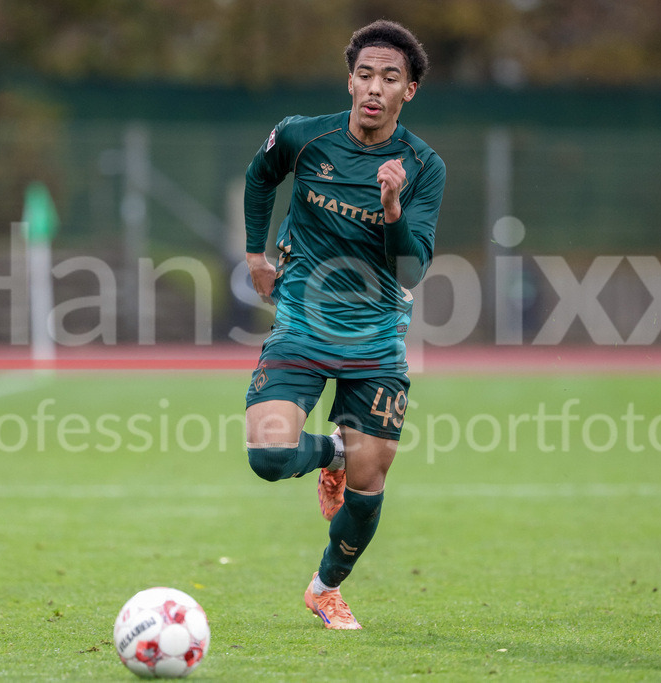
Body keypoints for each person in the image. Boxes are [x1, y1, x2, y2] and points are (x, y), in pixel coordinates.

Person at [242, 19, 446, 629]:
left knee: (367, 486)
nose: (375, 88)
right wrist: (255, 254)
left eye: (390, 78)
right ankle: (332, 451)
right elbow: (259, 176)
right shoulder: (304, 137)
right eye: (365, 75)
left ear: (409, 90)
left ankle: (325, 587)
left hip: (377, 338)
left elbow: (412, 270)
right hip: (302, 324)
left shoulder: (423, 166)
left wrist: (392, 209)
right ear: (350, 81)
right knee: (269, 456)